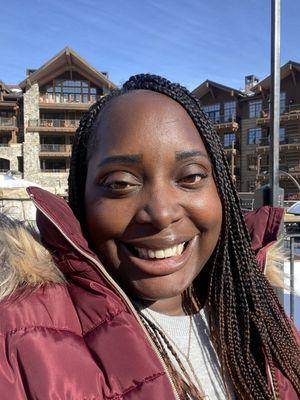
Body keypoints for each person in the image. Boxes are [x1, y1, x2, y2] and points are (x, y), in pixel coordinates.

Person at [0, 74, 299, 400]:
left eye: (191, 176)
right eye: (119, 183)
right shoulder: (18, 341)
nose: (160, 212)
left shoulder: (252, 301)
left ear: (221, 191)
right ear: (80, 200)